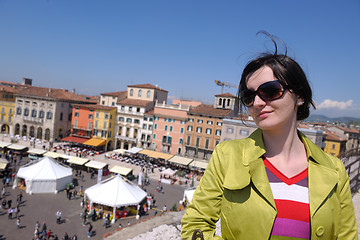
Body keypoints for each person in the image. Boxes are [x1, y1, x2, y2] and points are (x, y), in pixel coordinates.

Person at [181, 32, 358, 239]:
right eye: (249, 96)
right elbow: (195, 224)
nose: (257, 103)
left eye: (271, 90)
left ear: (299, 96)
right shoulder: (227, 156)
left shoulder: (335, 171)